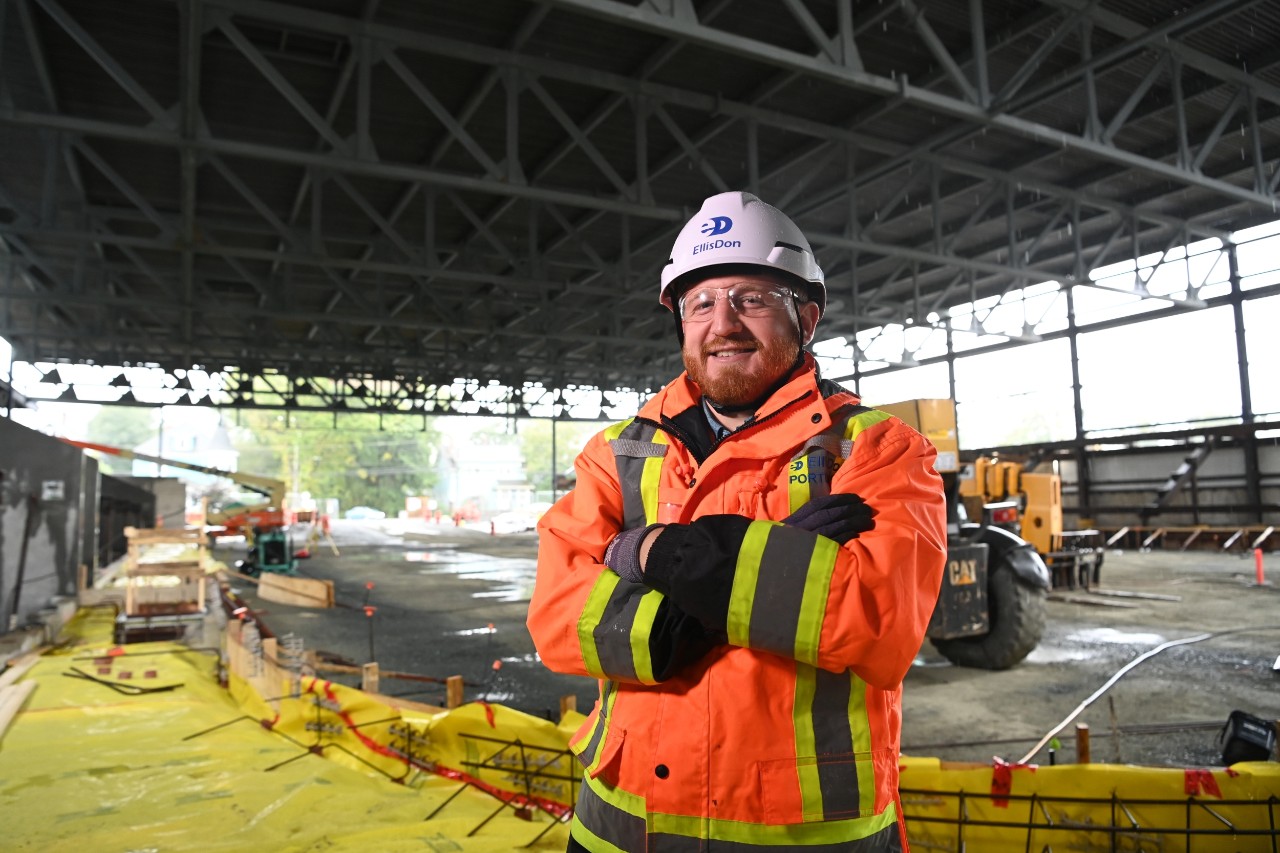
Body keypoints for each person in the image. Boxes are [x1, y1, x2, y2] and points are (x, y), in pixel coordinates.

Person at [527, 191, 947, 851]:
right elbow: (558, 621)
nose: (723, 322)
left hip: (802, 833)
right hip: (623, 824)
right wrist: (766, 570)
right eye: (701, 302)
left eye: (751, 298)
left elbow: (880, 624)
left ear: (804, 317)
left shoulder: (875, 447)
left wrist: (655, 557)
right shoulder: (618, 453)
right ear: (682, 322)